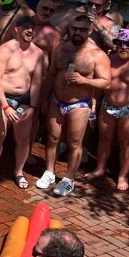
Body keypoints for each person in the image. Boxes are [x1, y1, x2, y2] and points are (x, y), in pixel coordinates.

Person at [37, 15, 110, 197]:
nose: (78, 32)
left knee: (74, 143)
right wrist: (44, 98)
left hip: (79, 104)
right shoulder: (60, 48)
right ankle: (49, 172)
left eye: (82, 29)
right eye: (74, 28)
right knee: (52, 137)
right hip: (56, 100)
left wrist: (84, 80)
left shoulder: (97, 54)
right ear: (69, 28)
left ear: (90, 30)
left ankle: (68, 179)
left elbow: (106, 82)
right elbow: (52, 74)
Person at [85, 29, 129, 192]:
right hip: (107, 106)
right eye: (120, 43)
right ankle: (100, 168)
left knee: (126, 143)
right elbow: (99, 85)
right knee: (104, 139)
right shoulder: (109, 60)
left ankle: (123, 176)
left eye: (128, 44)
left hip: (128, 110)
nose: (123, 47)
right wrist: (94, 104)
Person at [0, 16, 45, 189]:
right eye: (26, 27)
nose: (30, 31)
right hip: (1, 96)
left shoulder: (38, 54)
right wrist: (5, 106)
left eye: (33, 28)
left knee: (23, 138)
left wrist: (33, 107)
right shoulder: (5, 50)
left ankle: (18, 172)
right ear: (16, 29)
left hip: (25, 99)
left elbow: (36, 82)